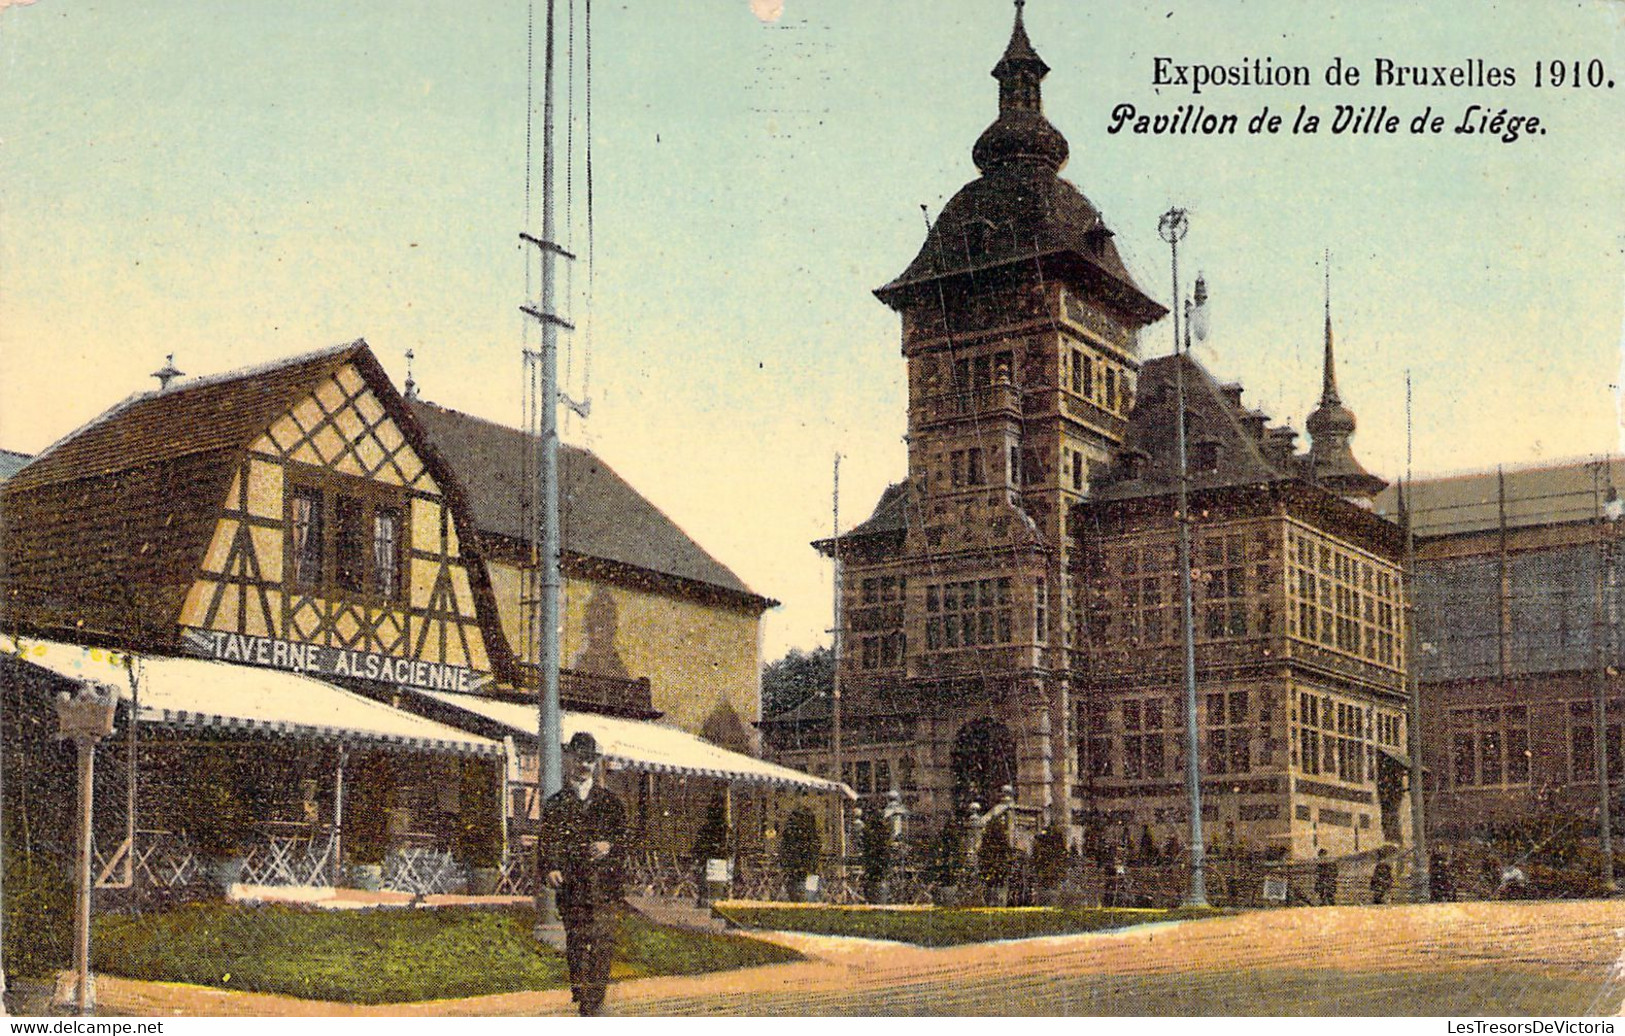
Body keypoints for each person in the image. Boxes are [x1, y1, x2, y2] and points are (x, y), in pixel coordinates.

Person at [539, 731, 628, 1017]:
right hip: (572, 887)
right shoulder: (556, 803)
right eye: (579, 759)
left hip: (604, 887)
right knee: (576, 942)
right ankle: (581, 988)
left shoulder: (610, 803)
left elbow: (627, 840)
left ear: (596, 764)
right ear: (569, 759)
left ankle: (593, 1000)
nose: (584, 765)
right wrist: (550, 867)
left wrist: (609, 845)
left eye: (590, 760)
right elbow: (547, 842)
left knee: (602, 942)